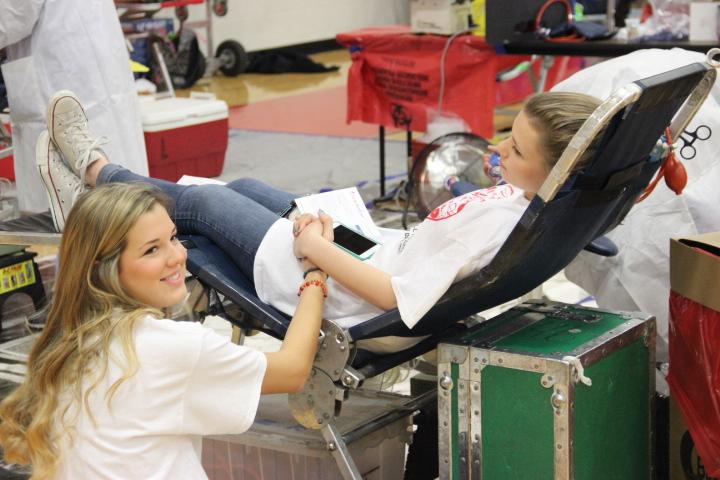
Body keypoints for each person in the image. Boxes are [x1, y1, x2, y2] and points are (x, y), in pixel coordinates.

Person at [38, 89, 603, 353]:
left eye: (518, 150)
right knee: (247, 189)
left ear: (558, 171)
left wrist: (316, 246)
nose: (501, 146)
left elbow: (390, 295)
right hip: (372, 247)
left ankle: (95, 176)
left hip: (349, 290)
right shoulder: (539, 205)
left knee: (210, 209)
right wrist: (335, 231)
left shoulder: (498, 230)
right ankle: (96, 195)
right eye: (511, 132)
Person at [0, 177, 330, 478]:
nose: (177, 256)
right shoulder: (165, 345)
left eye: (173, 237)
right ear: (103, 270)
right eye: (151, 250)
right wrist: (315, 272)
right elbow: (293, 370)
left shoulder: (70, 340)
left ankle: (97, 168)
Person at [0, 0, 148, 213]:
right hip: (80, 59)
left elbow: (12, 16)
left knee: (83, 209)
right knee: (118, 206)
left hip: (60, 70)